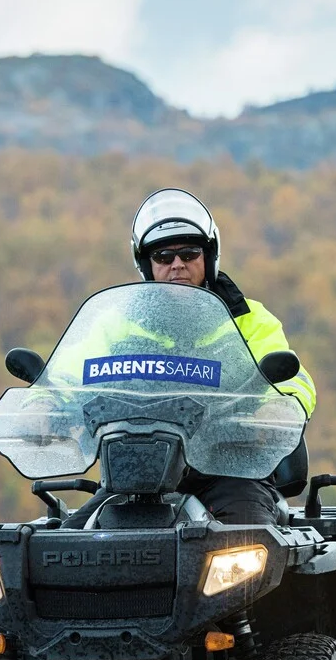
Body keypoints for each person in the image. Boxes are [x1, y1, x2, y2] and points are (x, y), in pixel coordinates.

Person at [123, 188, 316, 523]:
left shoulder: (250, 320)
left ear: (208, 257)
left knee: (247, 541)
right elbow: (69, 376)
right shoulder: (119, 325)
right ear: (147, 265)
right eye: (164, 256)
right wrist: (44, 404)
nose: (177, 265)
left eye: (189, 253)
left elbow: (293, 376)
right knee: (64, 548)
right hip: (136, 474)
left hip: (231, 468)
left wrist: (281, 406)